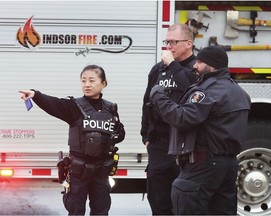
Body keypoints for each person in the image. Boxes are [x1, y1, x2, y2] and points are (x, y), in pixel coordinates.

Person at [149, 46, 251, 215]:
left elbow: (182, 118)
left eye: (200, 62)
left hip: (203, 165)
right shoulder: (239, 92)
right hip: (227, 165)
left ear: (213, 65)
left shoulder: (208, 92)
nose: (195, 66)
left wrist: (158, 96)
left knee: (188, 203)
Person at [19, 64, 125, 215]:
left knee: (101, 211)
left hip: (101, 172)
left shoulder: (111, 109)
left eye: (92, 80)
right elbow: (53, 104)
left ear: (104, 83)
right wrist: (35, 95)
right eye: (83, 81)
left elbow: (120, 134)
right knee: (75, 210)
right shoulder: (74, 106)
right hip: (78, 172)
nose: (87, 84)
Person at [140, 23, 197, 215]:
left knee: (183, 199)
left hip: (185, 145)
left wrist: (173, 66)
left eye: (173, 42)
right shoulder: (158, 70)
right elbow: (147, 102)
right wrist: (146, 136)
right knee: (157, 197)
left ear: (188, 43)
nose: (168, 46)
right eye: (167, 41)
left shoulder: (196, 68)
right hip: (159, 144)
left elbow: (191, 88)